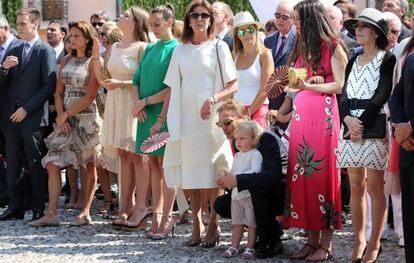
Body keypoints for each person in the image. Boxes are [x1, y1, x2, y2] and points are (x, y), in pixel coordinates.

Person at [163, 0, 237, 248]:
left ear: (211, 19)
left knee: (212, 171)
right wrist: (165, 120)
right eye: (194, 15)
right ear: (188, 20)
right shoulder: (180, 50)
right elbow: (172, 89)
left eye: (204, 15)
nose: (199, 19)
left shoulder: (219, 47)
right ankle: (196, 224)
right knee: (192, 174)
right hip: (187, 118)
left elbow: (233, 84)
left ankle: (214, 222)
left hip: (211, 119)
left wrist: (213, 98)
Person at [283, 1, 348, 261]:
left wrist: (308, 85)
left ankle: (326, 243)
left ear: (310, 18)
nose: (294, 23)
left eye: (297, 19)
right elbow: (298, 82)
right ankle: (311, 239)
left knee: (323, 175)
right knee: (302, 175)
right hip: (301, 117)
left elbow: (339, 85)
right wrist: (295, 85)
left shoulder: (333, 45)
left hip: (324, 118)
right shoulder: (302, 45)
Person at [29, 20, 103, 227]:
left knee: (88, 164)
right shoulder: (67, 59)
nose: (72, 38)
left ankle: (86, 211)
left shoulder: (94, 61)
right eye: (70, 35)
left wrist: (67, 113)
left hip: (87, 117)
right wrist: (62, 116)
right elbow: (58, 92)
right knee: (53, 163)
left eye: (77, 35)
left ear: (87, 39)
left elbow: (90, 96)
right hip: (65, 119)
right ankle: (52, 213)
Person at [337, 8, 396, 262]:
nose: (358, 30)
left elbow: (382, 93)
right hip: (350, 127)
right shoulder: (352, 59)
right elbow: (344, 95)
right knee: (355, 187)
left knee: (374, 187)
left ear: (375, 32)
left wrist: (360, 122)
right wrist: (348, 120)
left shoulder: (387, 59)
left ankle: (374, 243)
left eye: (363, 26)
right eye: (357, 26)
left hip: (372, 127)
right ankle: (359, 240)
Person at [92, 6, 149, 229]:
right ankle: (125, 206)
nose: (120, 16)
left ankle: (141, 206)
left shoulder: (143, 48)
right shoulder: (114, 47)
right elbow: (104, 78)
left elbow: (146, 80)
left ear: (134, 23)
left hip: (133, 103)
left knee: (137, 156)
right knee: (124, 157)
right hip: (115, 103)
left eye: (126, 15)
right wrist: (96, 56)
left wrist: (123, 84)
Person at [0, 8, 56, 222]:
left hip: (32, 117)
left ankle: (38, 206)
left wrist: (26, 109)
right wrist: (4, 68)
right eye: (18, 23)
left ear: (35, 24)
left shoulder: (45, 51)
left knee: (34, 162)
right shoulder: (14, 47)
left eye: (23, 23)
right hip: (11, 116)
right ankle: (15, 206)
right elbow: (4, 83)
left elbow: (48, 86)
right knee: (13, 162)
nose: (19, 26)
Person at [214, 99, 286, 259]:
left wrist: (237, 180)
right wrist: (226, 181)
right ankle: (264, 232)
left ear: (244, 118)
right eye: (220, 124)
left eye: (227, 122)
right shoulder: (238, 141)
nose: (224, 128)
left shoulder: (265, 138)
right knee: (222, 204)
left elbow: (273, 177)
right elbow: (242, 174)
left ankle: (271, 239)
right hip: (261, 189)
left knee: (257, 191)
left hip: (284, 193)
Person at [131, 4, 179, 238]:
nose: (153, 29)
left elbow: (171, 88)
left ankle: (167, 217)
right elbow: (136, 80)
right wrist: (136, 104)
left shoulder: (176, 49)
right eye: (151, 25)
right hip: (145, 115)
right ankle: (156, 213)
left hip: (164, 115)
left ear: (170, 22)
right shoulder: (150, 49)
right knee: (152, 164)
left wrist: (145, 102)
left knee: (166, 165)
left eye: (157, 25)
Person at [389, 33, 414, 263]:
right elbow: (396, 96)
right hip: (409, 149)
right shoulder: (410, 53)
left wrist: (411, 127)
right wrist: (399, 127)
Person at [221, 121, 262, 259]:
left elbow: (255, 171)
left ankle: (250, 247)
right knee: (237, 223)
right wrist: (225, 176)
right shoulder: (237, 155)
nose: (238, 142)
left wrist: (235, 178)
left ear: (254, 140)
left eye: (242, 138)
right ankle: (234, 246)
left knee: (251, 223)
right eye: (236, 138)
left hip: (248, 195)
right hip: (236, 196)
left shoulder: (255, 154)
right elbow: (234, 171)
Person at [232, 11, 273, 128]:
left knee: (257, 146)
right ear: (237, 35)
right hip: (236, 113)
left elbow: (266, 89)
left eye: (250, 29)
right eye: (241, 31)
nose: (246, 34)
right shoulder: (234, 56)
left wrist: (248, 113)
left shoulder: (265, 54)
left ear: (256, 30)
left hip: (258, 111)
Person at [263, 0, 296, 130]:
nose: (279, 20)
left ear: (293, 19)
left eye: (285, 17)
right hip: (269, 103)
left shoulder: (300, 40)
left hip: (290, 104)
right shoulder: (268, 40)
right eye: (277, 16)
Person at [0, 15, 22, 208]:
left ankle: (19, 197)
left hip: (16, 113)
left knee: (16, 157)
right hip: (1, 112)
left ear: (5, 28)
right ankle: (4, 194)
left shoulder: (21, 47)